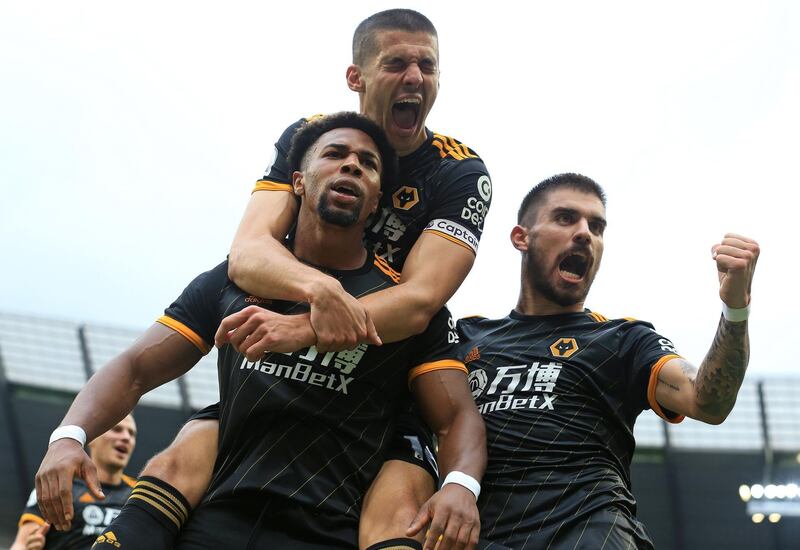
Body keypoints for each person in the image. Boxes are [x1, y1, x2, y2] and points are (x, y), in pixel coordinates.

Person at [44, 8, 490, 550]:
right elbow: (247, 254)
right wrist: (320, 293)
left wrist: (307, 328)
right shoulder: (304, 138)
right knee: (180, 457)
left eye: (428, 65)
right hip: (270, 395)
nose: (416, 77)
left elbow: (421, 301)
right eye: (397, 62)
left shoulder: (459, 171)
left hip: (384, 380)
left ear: (379, 200)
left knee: (396, 511)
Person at [457, 173, 758, 549]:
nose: (585, 234)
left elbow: (707, 401)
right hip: (476, 535)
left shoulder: (622, 340)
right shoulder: (465, 338)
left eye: (596, 226)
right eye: (566, 218)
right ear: (522, 237)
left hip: (589, 534)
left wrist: (736, 309)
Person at [12, 416, 137, 550]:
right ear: (93, 438)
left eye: (131, 433)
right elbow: (21, 544)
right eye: (117, 430)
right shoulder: (56, 484)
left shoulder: (140, 494)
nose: (126, 437)